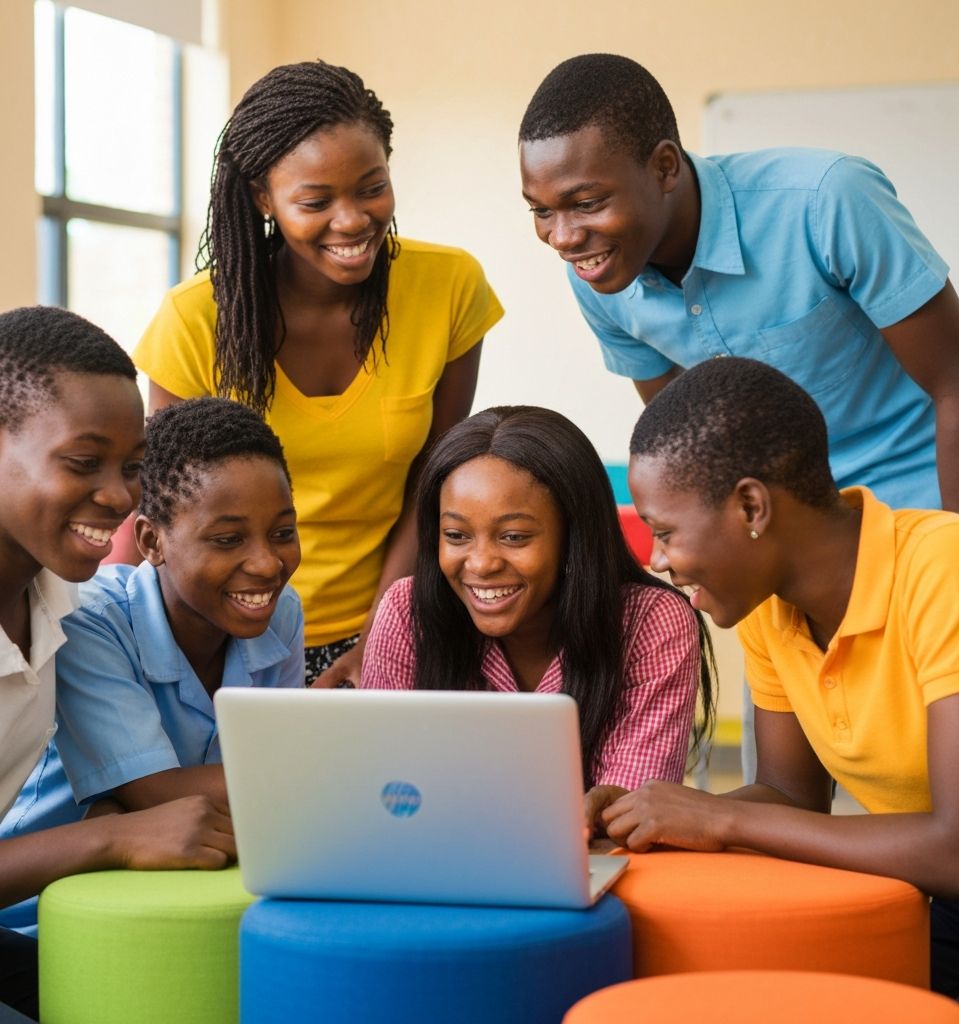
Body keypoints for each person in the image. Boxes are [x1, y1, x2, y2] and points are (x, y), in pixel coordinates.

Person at [518, 52, 959, 778]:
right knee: (788, 792)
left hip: (920, 527)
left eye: (586, 203)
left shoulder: (825, 200)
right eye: (540, 212)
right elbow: (689, 446)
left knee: (949, 790)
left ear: (664, 166)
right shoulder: (600, 280)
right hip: (777, 546)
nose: (563, 236)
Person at [598, 356, 959, 1023]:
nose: (658, 560)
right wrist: (648, 816)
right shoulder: (770, 606)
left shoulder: (951, 565)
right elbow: (792, 799)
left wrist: (720, 816)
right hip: (954, 918)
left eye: (665, 531)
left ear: (751, 506)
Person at [133, 61, 504, 688]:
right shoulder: (195, 319)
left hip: (391, 618)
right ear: (263, 198)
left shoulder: (448, 287)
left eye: (371, 188)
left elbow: (432, 480)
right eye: (316, 201)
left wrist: (384, 632)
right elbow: (169, 512)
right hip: (227, 633)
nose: (353, 220)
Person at [0, 307, 234, 1021]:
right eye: (82, 462)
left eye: (132, 468)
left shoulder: (65, 603)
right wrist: (112, 837)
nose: (119, 496)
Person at [1, 397, 303, 899]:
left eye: (283, 533)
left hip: (186, 885)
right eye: (228, 539)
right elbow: (150, 790)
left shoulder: (280, 611)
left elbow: (278, 764)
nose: (267, 564)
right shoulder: (91, 619)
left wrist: (300, 782)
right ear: (151, 541)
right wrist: (336, 786)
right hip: (48, 903)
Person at [362, 405, 716, 805]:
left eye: (513, 536)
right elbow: (388, 792)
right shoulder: (408, 612)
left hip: (598, 864)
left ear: (574, 537)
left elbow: (629, 814)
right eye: (456, 535)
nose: (480, 563)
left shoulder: (650, 622)